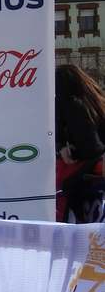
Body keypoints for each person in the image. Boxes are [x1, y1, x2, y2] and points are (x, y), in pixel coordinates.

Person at [55, 64, 105, 222]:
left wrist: (69, 151)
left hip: (90, 169)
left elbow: (92, 148)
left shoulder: (72, 104)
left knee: (64, 190)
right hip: (98, 169)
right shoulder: (96, 101)